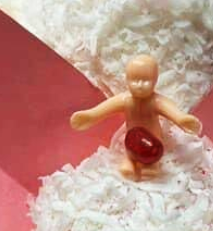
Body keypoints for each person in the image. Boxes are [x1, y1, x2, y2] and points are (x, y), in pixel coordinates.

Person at [70, 54, 201, 180]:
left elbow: (171, 110)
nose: (139, 85)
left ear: (155, 80)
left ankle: (152, 165)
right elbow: (105, 108)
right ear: (126, 79)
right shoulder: (125, 99)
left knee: (153, 152)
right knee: (130, 150)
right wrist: (90, 115)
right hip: (132, 137)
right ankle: (129, 162)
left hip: (154, 138)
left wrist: (182, 120)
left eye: (145, 80)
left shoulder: (156, 101)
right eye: (134, 79)